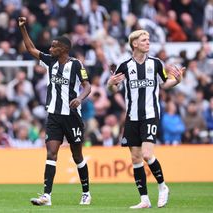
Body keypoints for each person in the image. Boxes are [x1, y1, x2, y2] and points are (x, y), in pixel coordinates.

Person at [106, 30, 185, 209]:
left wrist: (177, 81)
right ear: (135, 44)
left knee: (147, 154)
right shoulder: (125, 66)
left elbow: (164, 83)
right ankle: (144, 200)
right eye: (144, 40)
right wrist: (110, 85)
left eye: (148, 40)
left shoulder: (156, 63)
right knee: (135, 159)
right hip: (132, 117)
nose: (148, 42)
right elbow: (114, 89)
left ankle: (163, 187)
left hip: (150, 115)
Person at [19, 17, 92, 206]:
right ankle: (47, 196)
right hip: (53, 115)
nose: (50, 49)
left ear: (64, 49)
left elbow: (87, 86)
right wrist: (23, 29)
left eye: (54, 46)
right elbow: (30, 49)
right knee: (51, 153)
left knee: (77, 156)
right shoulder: (50, 61)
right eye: (50, 46)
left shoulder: (76, 65)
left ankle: (86, 192)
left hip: (72, 116)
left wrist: (79, 98)